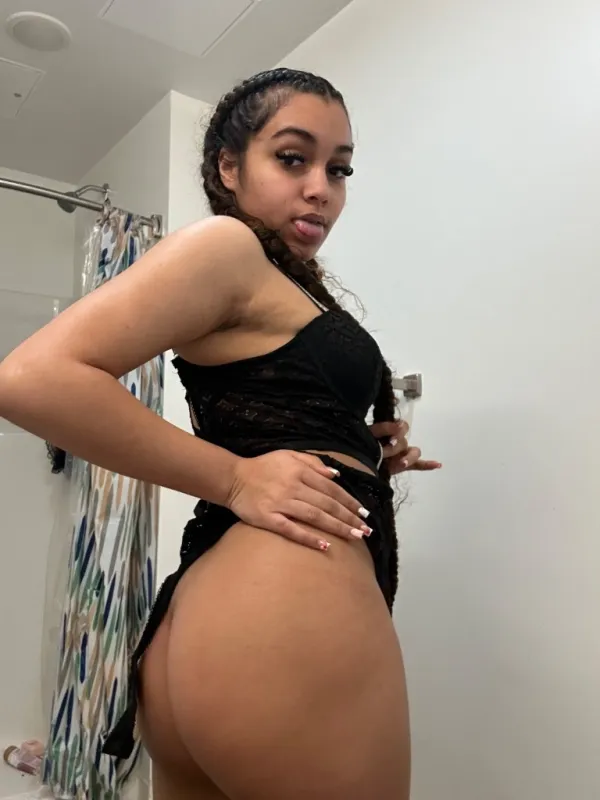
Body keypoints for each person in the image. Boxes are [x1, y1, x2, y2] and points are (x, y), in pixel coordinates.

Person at [0, 68, 441, 800]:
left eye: (338, 170)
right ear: (229, 167)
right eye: (292, 158)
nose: (321, 188)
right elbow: (29, 380)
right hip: (281, 614)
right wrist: (236, 478)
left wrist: (368, 455)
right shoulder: (227, 246)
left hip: (212, 623)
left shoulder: (277, 280)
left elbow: (267, 415)